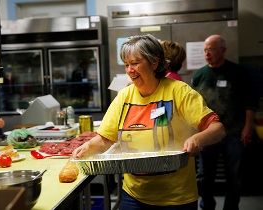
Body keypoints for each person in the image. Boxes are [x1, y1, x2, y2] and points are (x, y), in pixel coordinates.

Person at [73, 34, 226, 210]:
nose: (130, 70)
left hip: (175, 198)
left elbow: (218, 129)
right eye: (126, 65)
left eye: (135, 63)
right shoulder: (124, 96)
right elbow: (105, 139)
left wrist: (197, 139)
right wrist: (87, 147)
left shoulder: (179, 91)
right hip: (134, 194)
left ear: (154, 62)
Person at [192, 35, 259, 210]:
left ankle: (231, 208)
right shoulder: (200, 75)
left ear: (223, 50)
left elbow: (250, 101)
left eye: (212, 49)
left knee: (234, 176)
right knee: (204, 176)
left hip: (234, 134)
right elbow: (193, 106)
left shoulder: (238, 73)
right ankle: (207, 206)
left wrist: (247, 127)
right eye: (205, 50)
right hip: (208, 134)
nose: (207, 54)